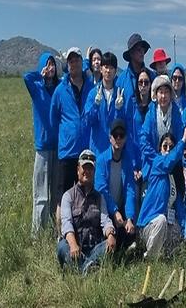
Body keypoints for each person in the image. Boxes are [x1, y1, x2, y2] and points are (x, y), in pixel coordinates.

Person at [57, 149, 116, 274]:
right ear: (78, 169)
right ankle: (89, 268)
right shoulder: (68, 196)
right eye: (84, 168)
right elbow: (66, 224)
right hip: (75, 247)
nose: (87, 172)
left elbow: (105, 221)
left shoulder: (100, 198)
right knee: (62, 246)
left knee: (109, 244)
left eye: (90, 168)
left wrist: (110, 234)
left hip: (94, 248)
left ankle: (83, 268)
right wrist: (73, 244)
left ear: (94, 171)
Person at [137, 127, 186, 259]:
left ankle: (166, 256)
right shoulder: (157, 163)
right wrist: (183, 139)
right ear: (160, 149)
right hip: (149, 225)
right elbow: (168, 163)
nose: (168, 150)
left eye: (171, 147)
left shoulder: (174, 178)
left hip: (166, 224)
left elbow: (180, 209)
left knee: (177, 229)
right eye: (165, 146)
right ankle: (150, 258)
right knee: (161, 220)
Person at [25, 51, 59, 235]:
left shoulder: (59, 87)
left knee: (55, 193)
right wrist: (40, 73)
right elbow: (26, 77)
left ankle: (55, 230)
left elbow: (77, 72)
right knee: (41, 194)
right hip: (43, 148)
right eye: (47, 64)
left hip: (58, 147)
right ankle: (37, 232)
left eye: (53, 64)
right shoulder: (36, 87)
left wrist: (86, 58)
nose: (51, 67)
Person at [51, 47, 94, 194]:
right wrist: (67, 133)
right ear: (67, 65)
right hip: (67, 151)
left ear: (82, 62)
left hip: (86, 149)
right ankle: (60, 219)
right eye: (71, 61)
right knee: (63, 196)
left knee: (85, 194)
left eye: (77, 60)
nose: (74, 64)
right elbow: (53, 118)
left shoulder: (91, 87)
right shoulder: (60, 90)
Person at [139, 75, 186, 204]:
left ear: (171, 94)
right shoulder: (150, 113)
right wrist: (158, 160)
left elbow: (180, 138)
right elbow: (143, 140)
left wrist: (171, 159)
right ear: (155, 94)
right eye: (160, 92)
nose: (163, 96)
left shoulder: (176, 113)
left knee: (176, 201)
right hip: (154, 164)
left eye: (166, 92)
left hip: (173, 164)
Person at [94, 120, 138, 251]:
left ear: (125, 138)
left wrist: (129, 217)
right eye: (115, 135)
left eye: (121, 135)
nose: (118, 138)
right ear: (110, 138)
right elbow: (102, 190)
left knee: (131, 231)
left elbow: (130, 190)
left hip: (121, 209)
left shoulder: (127, 160)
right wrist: (114, 211)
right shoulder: (101, 160)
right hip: (104, 209)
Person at [85, 51, 121, 158]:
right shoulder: (93, 93)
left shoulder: (120, 94)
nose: (108, 71)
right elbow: (88, 121)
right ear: (101, 69)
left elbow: (123, 123)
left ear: (115, 71)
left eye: (111, 68)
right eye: (105, 67)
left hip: (115, 151)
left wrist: (119, 109)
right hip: (97, 150)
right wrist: (96, 105)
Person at [116, 33, 152, 106]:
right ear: (131, 53)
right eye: (139, 50)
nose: (142, 53)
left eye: (143, 50)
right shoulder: (121, 80)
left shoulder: (151, 76)